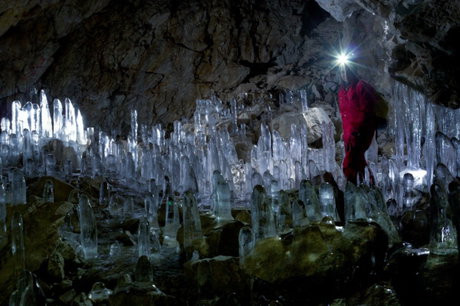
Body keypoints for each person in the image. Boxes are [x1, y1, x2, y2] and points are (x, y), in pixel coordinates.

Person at [337, 63, 387, 184]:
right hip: (349, 133)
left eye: (347, 71)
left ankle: (353, 186)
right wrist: (345, 132)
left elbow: (366, 111)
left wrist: (358, 129)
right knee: (358, 162)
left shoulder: (361, 86)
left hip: (361, 131)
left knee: (350, 162)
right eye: (342, 72)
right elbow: (345, 114)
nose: (345, 75)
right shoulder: (342, 91)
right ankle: (367, 185)